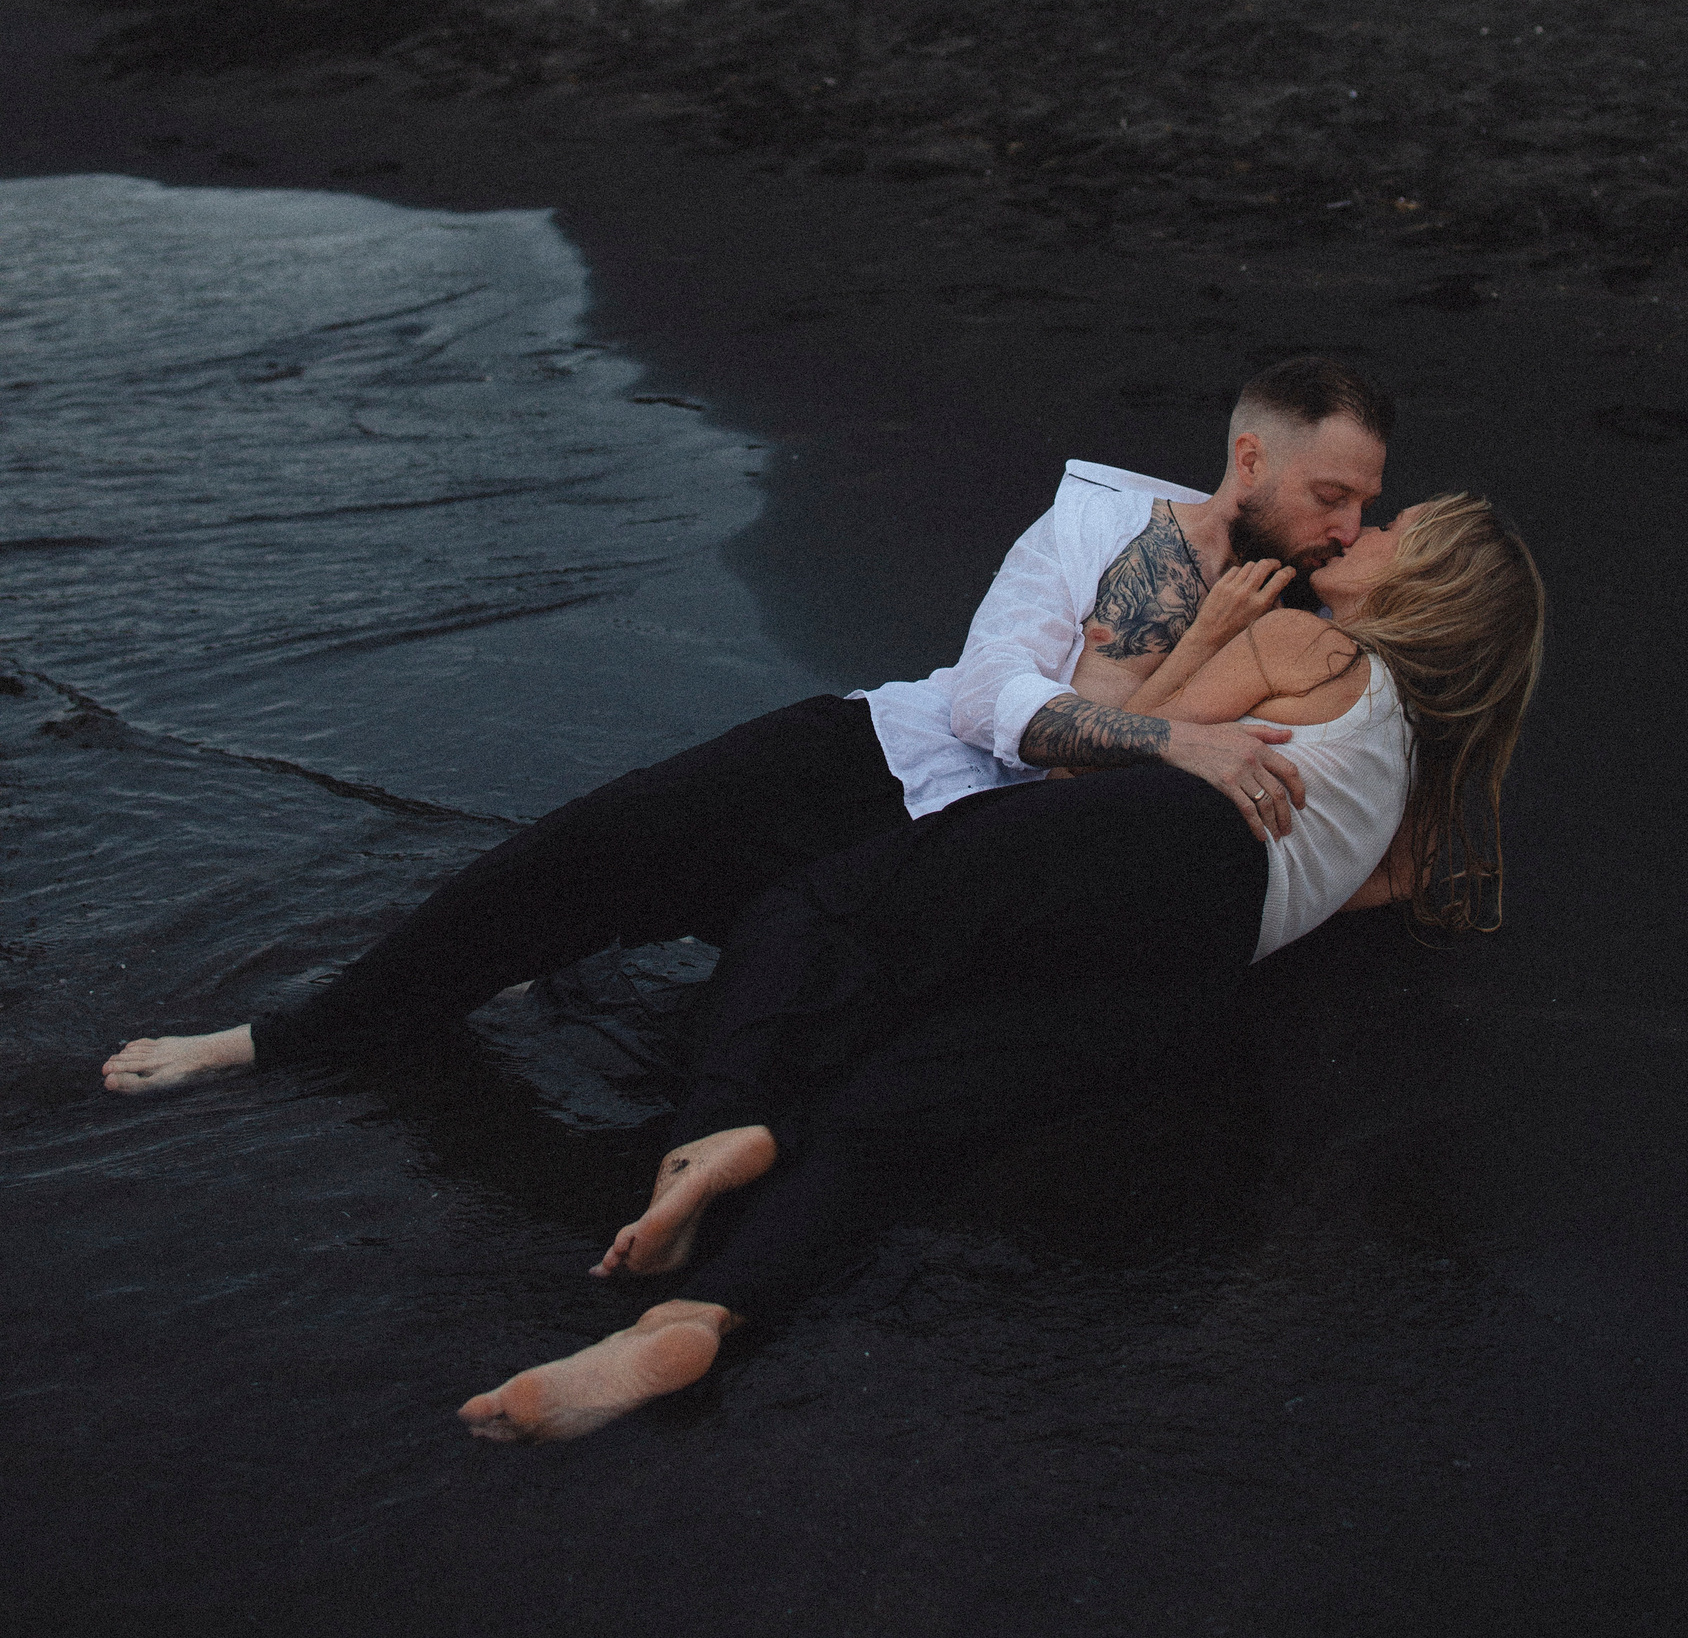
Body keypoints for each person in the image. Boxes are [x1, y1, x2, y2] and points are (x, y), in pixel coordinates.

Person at [457, 492, 1547, 1443]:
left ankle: (720, 1132)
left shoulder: (1311, 647)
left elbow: (1105, 747)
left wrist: (1216, 628)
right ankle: (703, 1316)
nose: (1365, 531)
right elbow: (1367, 886)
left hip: (1142, 837)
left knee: (817, 912)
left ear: (1426, 583)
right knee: (905, 1109)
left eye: (1396, 532)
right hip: (1204, 958)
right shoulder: (1414, 780)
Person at [102, 354, 1396, 1095]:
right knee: (589, 853)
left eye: (1365, 507)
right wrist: (1175, 742)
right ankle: (285, 1038)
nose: (1348, 528)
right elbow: (984, 699)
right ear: (1249, 460)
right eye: (1331, 495)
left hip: (980, 876)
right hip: (876, 759)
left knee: (773, 1049)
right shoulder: (1102, 529)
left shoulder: (1321, 624)